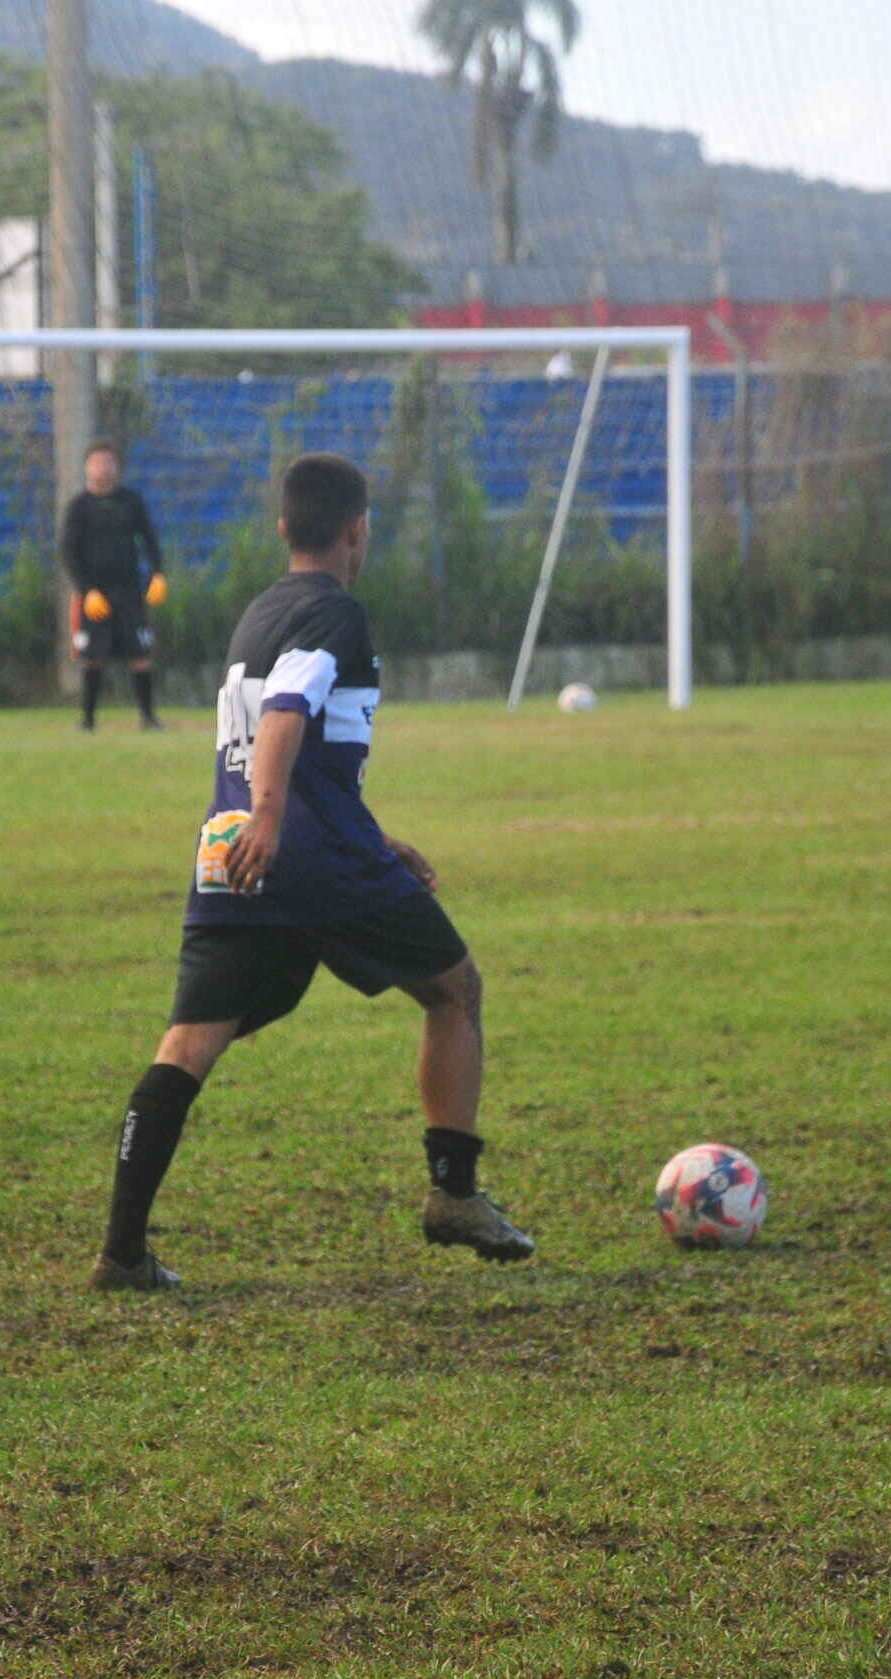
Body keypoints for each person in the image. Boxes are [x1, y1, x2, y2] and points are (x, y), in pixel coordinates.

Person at [90, 450, 533, 1291]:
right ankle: (455, 1195)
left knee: (189, 1045)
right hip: (303, 854)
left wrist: (371, 836)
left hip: (236, 851)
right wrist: (278, 818)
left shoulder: (261, 611)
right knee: (454, 989)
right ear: (358, 531)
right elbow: (290, 710)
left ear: (283, 526)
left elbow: (290, 741)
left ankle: (121, 1252)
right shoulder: (336, 614)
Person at [58, 438, 167, 732]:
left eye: (109, 463)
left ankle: (148, 717)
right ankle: (88, 720)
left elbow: (149, 538)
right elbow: (69, 552)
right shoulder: (79, 507)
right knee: (92, 657)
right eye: (97, 463)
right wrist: (86, 589)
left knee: (141, 654)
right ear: (86, 468)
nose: (103, 469)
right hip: (95, 594)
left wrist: (157, 573)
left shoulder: (131, 501)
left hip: (130, 591)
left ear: (117, 467)